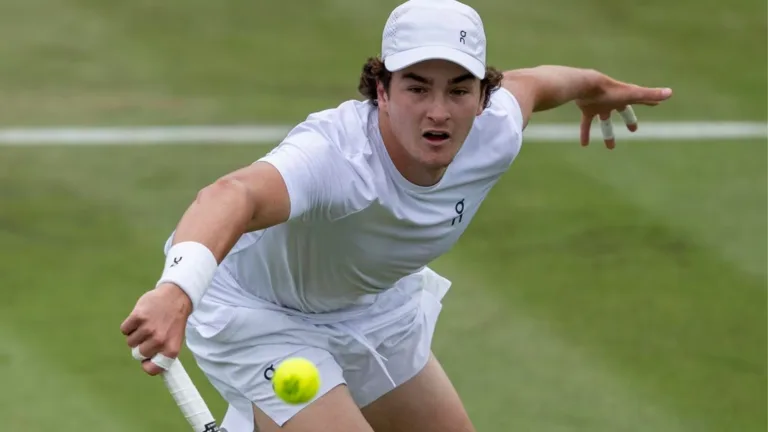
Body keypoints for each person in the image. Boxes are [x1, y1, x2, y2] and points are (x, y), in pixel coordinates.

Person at [120, 0, 672, 431]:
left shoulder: (495, 129)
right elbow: (230, 195)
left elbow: (540, 84)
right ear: (380, 91)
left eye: (459, 89)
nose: (439, 110)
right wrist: (178, 291)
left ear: (483, 96)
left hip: (370, 307)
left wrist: (594, 87)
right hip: (258, 315)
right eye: (416, 87)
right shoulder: (336, 157)